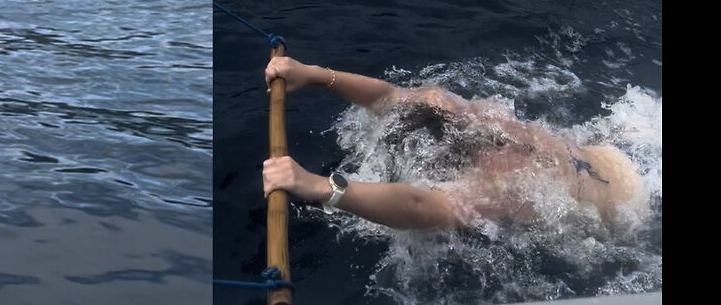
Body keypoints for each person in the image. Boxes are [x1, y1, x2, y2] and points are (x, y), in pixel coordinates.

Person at [261, 55, 647, 233]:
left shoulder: (496, 183)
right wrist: (311, 74)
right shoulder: (467, 113)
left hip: (636, 206)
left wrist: (320, 186)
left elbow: (421, 207)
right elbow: (387, 97)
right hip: (620, 149)